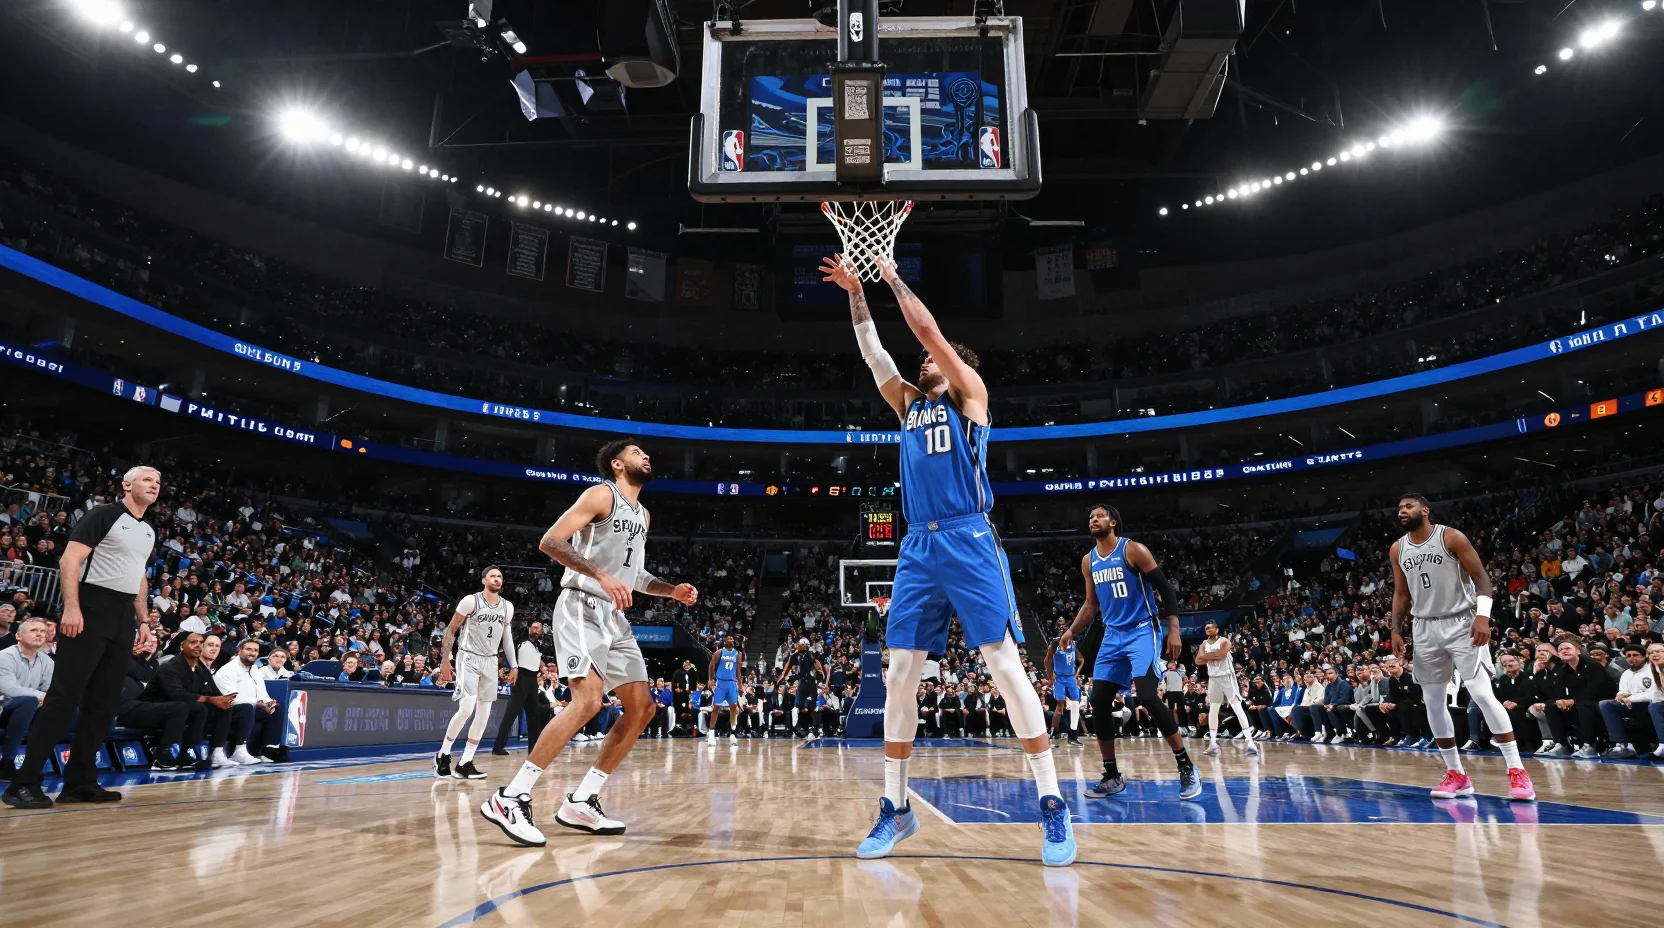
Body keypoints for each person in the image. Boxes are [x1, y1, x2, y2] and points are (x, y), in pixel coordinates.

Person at [821, 251, 1072, 867]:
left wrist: (893, 277)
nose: (923, 359)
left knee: (1004, 666)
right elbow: (873, 353)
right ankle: (896, 809)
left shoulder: (969, 397)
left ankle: (1051, 804)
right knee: (900, 672)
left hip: (968, 538)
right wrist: (857, 293)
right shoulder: (908, 407)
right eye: (926, 360)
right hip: (917, 545)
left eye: (934, 358)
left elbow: (926, 331)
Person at [480, 439, 699, 847]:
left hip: (614, 618)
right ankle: (510, 797)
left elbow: (633, 576)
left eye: (646, 454)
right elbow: (551, 542)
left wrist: (671, 591)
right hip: (582, 606)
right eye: (636, 453)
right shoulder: (602, 494)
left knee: (642, 708)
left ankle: (583, 799)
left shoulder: (643, 515)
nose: (646, 457)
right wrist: (600, 575)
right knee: (587, 701)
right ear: (617, 465)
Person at [3, 466, 159, 810]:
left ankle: (81, 781)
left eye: (158, 482)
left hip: (122, 616)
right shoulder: (103, 514)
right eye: (147, 479)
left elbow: (140, 576)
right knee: (64, 696)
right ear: (127, 484)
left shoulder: (148, 530)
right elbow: (69, 559)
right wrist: (71, 607)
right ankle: (23, 783)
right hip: (90, 604)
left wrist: (143, 621)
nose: (154, 485)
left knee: (104, 702)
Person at [1389, 494, 1534, 802]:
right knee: (1432, 702)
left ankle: (1517, 771)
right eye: (1400, 508)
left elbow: (1482, 578)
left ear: (1425, 510)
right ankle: (1457, 774)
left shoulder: (1450, 536)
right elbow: (1401, 594)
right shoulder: (1398, 548)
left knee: (1481, 694)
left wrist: (1482, 617)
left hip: (1462, 621)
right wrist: (1395, 629)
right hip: (1424, 626)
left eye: (1409, 506)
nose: (1403, 511)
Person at [1057, 504, 1201, 802]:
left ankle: (1186, 765)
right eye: (1090, 517)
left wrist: (1174, 629)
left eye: (1099, 515)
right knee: (1097, 700)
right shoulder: (1089, 561)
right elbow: (1090, 605)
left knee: (1148, 696)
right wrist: (1071, 630)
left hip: (1141, 631)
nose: (1093, 520)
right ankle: (1112, 776)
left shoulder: (1133, 550)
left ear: (1113, 521)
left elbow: (1166, 590)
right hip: (1112, 635)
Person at [434, 567, 516, 779]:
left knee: (484, 715)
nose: (497, 579)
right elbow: (451, 629)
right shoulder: (470, 601)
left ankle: (466, 762)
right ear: (483, 580)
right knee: (467, 707)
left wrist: (514, 665)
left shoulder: (507, 607)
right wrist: (445, 658)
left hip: (490, 661)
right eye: (493, 576)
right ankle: (443, 754)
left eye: (499, 577)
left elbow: (507, 638)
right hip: (468, 657)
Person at [141, 631, 240, 767]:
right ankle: (165, 755)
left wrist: (224, 700)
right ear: (182, 646)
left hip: (182, 707)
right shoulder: (170, 666)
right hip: (153, 707)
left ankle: (215, 752)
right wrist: (210, 699)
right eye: (193, 642)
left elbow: (214, 693)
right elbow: (177, 695)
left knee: (223, 709)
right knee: (197, 708)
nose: (198, 646)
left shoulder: (200, 668)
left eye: (201, 643)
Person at [213, 638, 282, 764]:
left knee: (276, 709)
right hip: (229, 710)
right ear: (239, 651)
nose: (252, 653)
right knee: (247, 707)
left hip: (251, 707)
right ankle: (239, 752)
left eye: (255, 650)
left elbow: (263, 694)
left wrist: (268, 703)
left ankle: (266, 751)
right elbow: (231, 698)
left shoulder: (255, 670)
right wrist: (257, 703)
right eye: (249, 649)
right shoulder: (228, 670)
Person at [0, 617, 53, 778]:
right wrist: (40, 696)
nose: (40, 634)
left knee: (61, 709)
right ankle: (7, 763)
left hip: (29, 709)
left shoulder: (47, 661)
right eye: (34, 630)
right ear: (18, 636)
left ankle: (33, 766)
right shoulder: (4, 656)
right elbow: (8, 689)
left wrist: (45, 698)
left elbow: (48, 691)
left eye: (43, 631)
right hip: (3, 707)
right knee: (28, 701)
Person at [1195, 621, 1259, 755]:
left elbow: (1221, 655)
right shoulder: (1203, 644)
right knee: (1213, 710)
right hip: (1213, 679)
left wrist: (1205, 657)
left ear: (1217, 629)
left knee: (1237, 707)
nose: (1208, 629)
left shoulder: (1224, 641)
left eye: (1210, 627)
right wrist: (1212, 656)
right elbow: (1198, 661)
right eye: (1206, 628)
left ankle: (1250, 742)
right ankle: (1213, 743)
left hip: (1227, 678)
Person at [494, 619, 549, 755]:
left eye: (539, 629)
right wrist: (507, 669)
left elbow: (536, 658)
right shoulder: (520, 640)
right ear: (529, 628)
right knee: (512, 713)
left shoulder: (537, 646)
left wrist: (543, 667)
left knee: (534, 715)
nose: (536, 630)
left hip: (532, 680)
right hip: (521, 677)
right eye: (534, 627)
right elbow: (509, 655)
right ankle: (498, 747)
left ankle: (533, 748)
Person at [1597, 644, 1660, 758]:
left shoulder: (1653, 669)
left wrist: (1630, 698)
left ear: (1644, 656)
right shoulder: (1626, 673)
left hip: (1649, 705)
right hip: (1631, 705)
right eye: (1628, 656)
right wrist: (1621, 695)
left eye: (1635, 655)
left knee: (1651, 707)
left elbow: (1654, 694)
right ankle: (1621, 744)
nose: (1631, 658)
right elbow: (1622, 690)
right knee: (1605, 704)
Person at [775, 639, 825, 737]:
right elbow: (787, 668)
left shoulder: (811, 654)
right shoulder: (794, 656)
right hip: (801, 683)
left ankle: (815, 728)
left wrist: (820, 676)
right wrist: (780, 679)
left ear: (804, 645)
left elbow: (819, 669)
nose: (798, 646)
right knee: (797, 706)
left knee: (812, 707)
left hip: (811, 683)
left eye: (800, 644)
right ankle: (797, 727)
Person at [1044, 636, 1084, 746]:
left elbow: (1081, 660)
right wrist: (1050, 675)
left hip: (1071, 677)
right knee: (1060, 708)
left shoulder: (1073, 644)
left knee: (1075, 703)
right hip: (1059, 678)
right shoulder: (1055, 644)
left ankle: (1073, 735)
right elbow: (1047, 660)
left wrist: (1076, 674)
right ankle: (1054, 731)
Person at [707, 635, 743, 744]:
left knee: (734, 708)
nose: (730, 640)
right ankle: (711, 734)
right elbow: (711, 665)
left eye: (732, 639)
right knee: (716, 708)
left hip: (732, 683)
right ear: (724, 642)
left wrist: (740, 683)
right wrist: (710, 679)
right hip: (721, 682)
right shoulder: (719, 652)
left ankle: (732, 733)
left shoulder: (738, 654)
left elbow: (738, 670)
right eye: (728, 639)